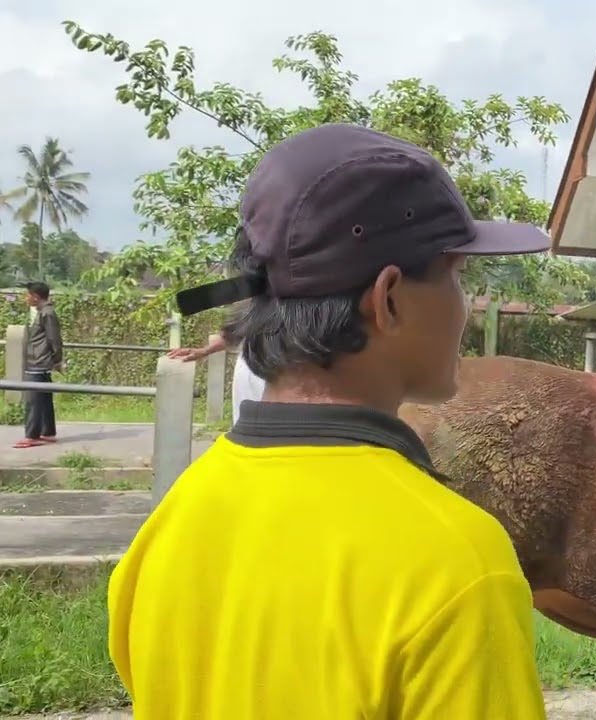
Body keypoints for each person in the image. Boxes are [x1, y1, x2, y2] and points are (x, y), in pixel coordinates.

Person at [107, 123, 552, 719]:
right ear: (388, 298)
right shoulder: (458, 561)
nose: (464, 306)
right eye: (456, 276)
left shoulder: (170, 524)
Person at [167, 333, 264, 424]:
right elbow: (236, 332)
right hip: (250, 369)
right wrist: (204, 351)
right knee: (246, 422)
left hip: (269, 370)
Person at [14, 281, 63, 449]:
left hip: (38, 362)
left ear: (35, 296)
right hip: (38, 361)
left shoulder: (47, 313)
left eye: (27, 295)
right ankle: (47, 431)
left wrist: (57, 360)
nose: (26, 298)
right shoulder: (43, 312)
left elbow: (54, 339)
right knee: (43, 398)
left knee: (33, 400)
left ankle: (32, 435)